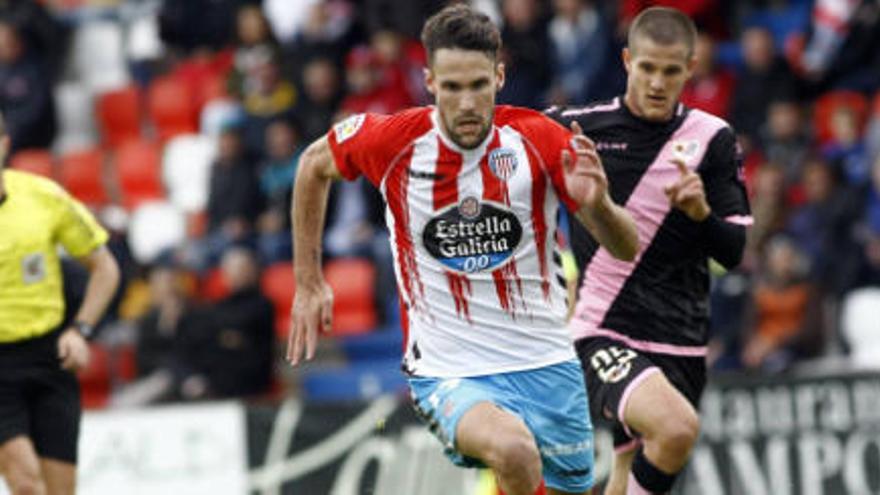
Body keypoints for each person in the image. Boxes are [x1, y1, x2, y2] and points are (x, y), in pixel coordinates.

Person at [286, 5, 639, 495]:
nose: (467, 102)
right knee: (512, 450)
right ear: (430, 82)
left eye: (478, 84)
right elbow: (312, 165)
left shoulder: (539, 140)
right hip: (449, 371)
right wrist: (309, 281)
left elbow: (625, 246)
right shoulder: (394, 142)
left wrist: (598, 206)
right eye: (452, 87)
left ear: (499, 76)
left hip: (548, 365)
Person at [546, 7, 751, 495]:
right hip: (602, 329)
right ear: (626, 61)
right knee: (675, 429)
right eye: (648, 68)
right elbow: (504, 174)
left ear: (690, 69)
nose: (658, 82)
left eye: (671, 70)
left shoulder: (712, 139)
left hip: (682, 341)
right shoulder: (577, 129)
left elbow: (735, 252)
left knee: (627, 475)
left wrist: (701, 214)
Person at [0, 113, 120, 494]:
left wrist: (81, 330)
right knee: (25, 483)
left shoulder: (44, 197)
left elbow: (105, 268)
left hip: (51, 357)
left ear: (4, 144)